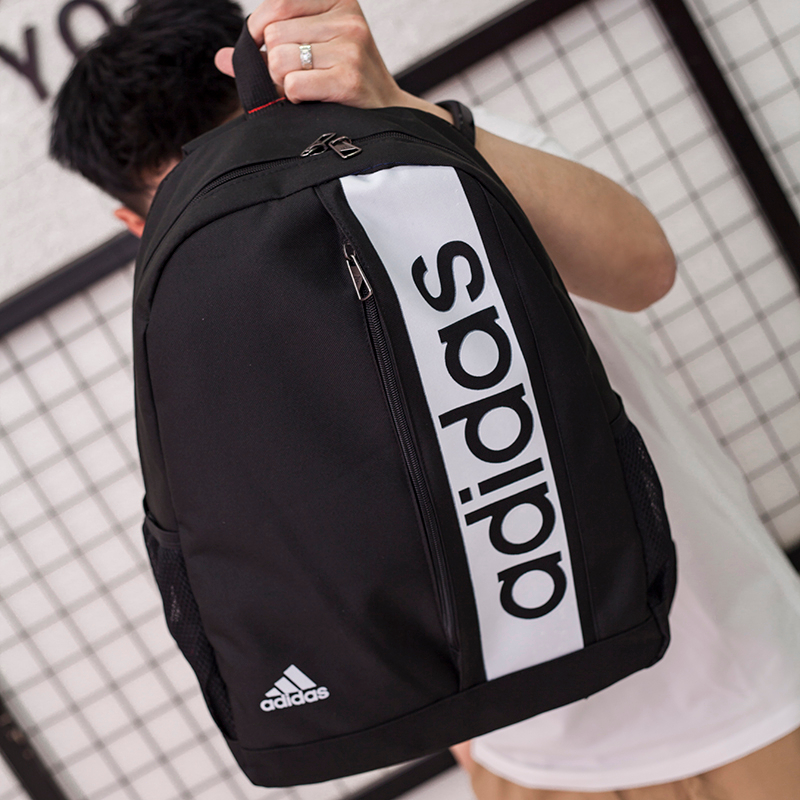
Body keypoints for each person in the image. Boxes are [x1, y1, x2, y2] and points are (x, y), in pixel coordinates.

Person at [50, 1, 800, 798]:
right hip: (530, 762)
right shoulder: (194, 327)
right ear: (139, 224)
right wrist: (463, 738)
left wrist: (404, 113)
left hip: (748, 683)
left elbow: (642, 269)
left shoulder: (431, 154)